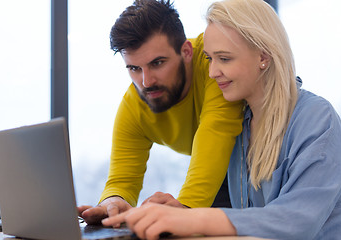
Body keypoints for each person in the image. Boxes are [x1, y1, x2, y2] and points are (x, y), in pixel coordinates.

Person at [101, 0, 341, 239]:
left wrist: (192, 217)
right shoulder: (241, 130)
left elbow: (298, 220)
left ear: (263, 56)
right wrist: (173, 212)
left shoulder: (317, 119)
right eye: (209, 59)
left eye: (224, 59)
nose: (212, 73)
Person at [78, 0, 244, 224]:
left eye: (157, 63)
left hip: (259, 161)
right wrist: (112, 202)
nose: (146, 82)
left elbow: (218, 130)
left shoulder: (212, 63)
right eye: (134, 68)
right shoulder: (134, 106)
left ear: (186, 51)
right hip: (218, 174)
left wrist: (184, 209)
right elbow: (121, 179)